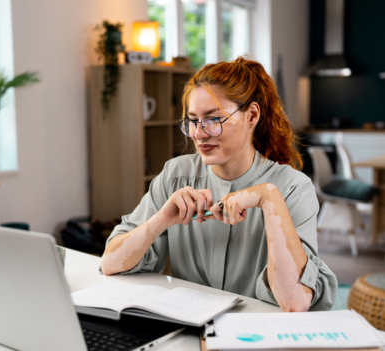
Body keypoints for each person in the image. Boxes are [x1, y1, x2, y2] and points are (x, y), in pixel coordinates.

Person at [100, 56, 337, 312]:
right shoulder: (175, 175)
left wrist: (269, 198)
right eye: (192, 120)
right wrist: (161, 220)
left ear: (251, 116)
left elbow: (295, 302)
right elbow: (110, 263)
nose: (199, 133)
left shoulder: (292, 189)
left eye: (213, 119)